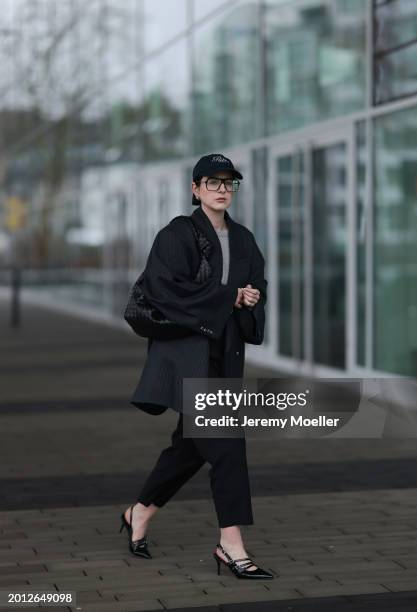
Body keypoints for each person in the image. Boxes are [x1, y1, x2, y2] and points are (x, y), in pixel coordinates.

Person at [120, 153, 274, 579]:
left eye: (229, 183)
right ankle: (231, 544)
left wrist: (250, 298)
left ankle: (140, 512)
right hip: (186, 358)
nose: (222, 189)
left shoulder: (244, 238)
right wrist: (228, 297)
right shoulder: (177, 234)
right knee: (226, 444)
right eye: (213, 182)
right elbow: (164, 290)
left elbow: (256, 284)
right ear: (195, 189)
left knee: (188, 449)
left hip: (223, 357)